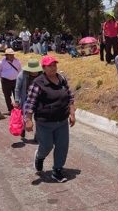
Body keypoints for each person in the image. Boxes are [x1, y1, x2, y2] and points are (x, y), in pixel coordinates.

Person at [24, 55, 76, 183]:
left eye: (55, 65)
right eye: (50, 66)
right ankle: (40, 157)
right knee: (47, 146)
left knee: (62, 146)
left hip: (62, 121)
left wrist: (72, 113)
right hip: (44, 122)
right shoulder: (38, 83)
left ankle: (57, 170)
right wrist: (28, 120)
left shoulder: (61, 79)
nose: (53, 68)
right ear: (44, 68)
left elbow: (69, 97)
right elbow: (30, 103)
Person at [15, 59, 43, 142]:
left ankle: (37, 136)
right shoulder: (22, 75)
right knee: (26, 117)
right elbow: (17, 88)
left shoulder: (42, 75)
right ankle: (23, 128)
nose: (35, 72)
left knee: (39, 119)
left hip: (39, 100)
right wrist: (17, 100)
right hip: (26, 99)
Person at [0, 48, 21, 115]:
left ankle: (18, 109)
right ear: (6, 55)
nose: (12, 56)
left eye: (12, 54)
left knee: (17, 95)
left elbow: (19, 70)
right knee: (7, 96)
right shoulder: (1, 62)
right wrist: (3, 77)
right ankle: (10, 110)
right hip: (5, 81)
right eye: (10, 55)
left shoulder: (17, 61)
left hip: (15, 80)